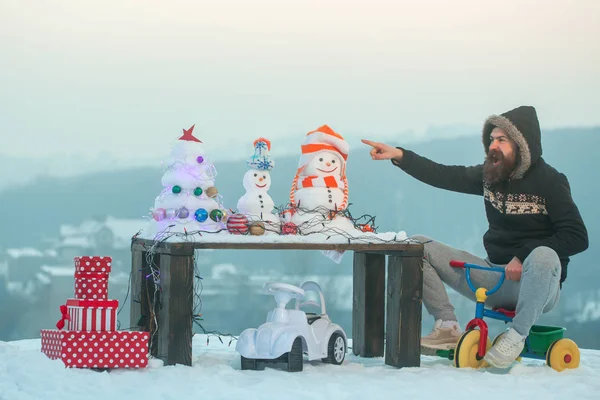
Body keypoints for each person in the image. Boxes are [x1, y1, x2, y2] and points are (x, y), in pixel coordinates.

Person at [362, 105, 588, 368]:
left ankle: (516, 335)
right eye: (491, 139)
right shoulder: (490, 176)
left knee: (544, 255)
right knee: (416, 245)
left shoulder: (550, 181)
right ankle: (446, 324)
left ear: (521, 144)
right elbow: (444, 174)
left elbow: (577, 236)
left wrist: (523, 255)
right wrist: (400, 155)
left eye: (501, 140)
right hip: (495, 277)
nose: (494, 145)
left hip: (538, 282)